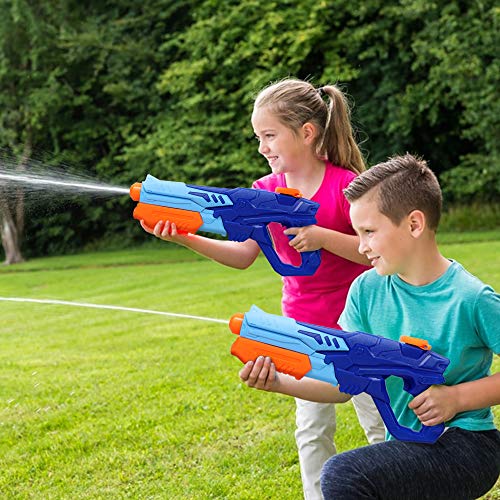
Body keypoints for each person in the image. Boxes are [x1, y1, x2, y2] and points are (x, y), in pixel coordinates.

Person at [140, 78, 385, 499]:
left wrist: (323, 237)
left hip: (360, 330)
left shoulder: (348, 187)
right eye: (258, 137)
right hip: (302, 333)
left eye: (269, 136)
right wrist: (183, 236)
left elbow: (377, 253)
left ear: (307, 133)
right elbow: (243, 254)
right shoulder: (264, 192)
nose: (262, 147)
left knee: (379, 425)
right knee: (311, 430)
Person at [238, 153, 500, 500]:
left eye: (369, 232)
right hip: (409, 443)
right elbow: (345, 384)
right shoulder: (365, 290)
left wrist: (456, 397)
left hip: (468, 445)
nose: (361, 246)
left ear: (414, 224)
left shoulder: (471, 298)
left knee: (344, 474)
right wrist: (278, 382)